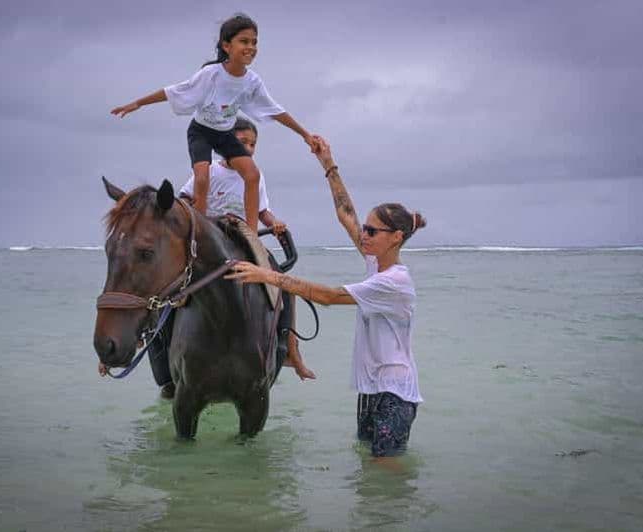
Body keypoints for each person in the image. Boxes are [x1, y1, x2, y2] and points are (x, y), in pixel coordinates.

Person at [226, 137, 427, 460]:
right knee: (369, 471)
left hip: (395, 393)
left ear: (396, 237)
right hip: (373, 388)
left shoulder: (393, 282)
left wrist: (268, 276)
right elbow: (346, 214)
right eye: (366, 228)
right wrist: (328, 164)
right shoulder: (376, 264)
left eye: (372, 231)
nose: (364, 234)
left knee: (387, 472)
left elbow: (329, 296)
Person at [110, 13, 315, 233]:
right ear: (226, 45)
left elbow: (275, 110)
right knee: (202, 178)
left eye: (254, 42)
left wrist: (305, 135)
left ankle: (251, 233)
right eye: (244, 41)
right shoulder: (211, 74)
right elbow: (177, 90)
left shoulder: (252, 81)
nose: (251, 47)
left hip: (225, 134)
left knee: (252, 175)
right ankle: (200, 231)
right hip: (201, 132)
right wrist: (138, 103)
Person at [179, 117, 315, 381]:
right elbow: (185, 197)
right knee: (173, 277)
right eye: (242, 143)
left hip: (243, 237)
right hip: (212, 236)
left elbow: (262, 211)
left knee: (282, 283)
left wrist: (274, 223)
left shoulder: (254, 175)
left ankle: (290, 349)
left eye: (253, 144)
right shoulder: (210, 171)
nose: (249, 149)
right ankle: (149, 333)